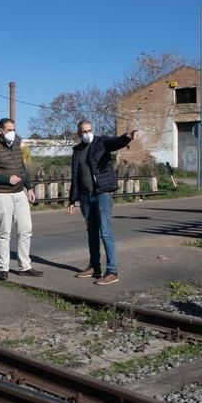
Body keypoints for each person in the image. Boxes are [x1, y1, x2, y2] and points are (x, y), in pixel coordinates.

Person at [67, 120, 136, 285]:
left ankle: (112, 271)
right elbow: (76, 176)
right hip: (85, 196)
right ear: (78, 134)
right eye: (83, 132)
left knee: (105, 232)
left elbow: (115, 142)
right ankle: (94, 267)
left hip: (102, 194)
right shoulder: (77, 150)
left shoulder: (101, 142)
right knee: (92, 232)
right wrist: (72, 199)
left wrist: (126, 137)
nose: (87, 134)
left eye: (89, 130)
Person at [0, 118, 43, 279]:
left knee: (25, 230)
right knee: (4, 232)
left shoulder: (16, 145)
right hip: (1, 194)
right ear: (0, 130)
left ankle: (25, 266)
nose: (12, 132)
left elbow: (21, 168)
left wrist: (28, 187)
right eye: (9, 129)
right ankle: (3, 268)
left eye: (13, 129)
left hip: (18, 193)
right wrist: (6, 179)